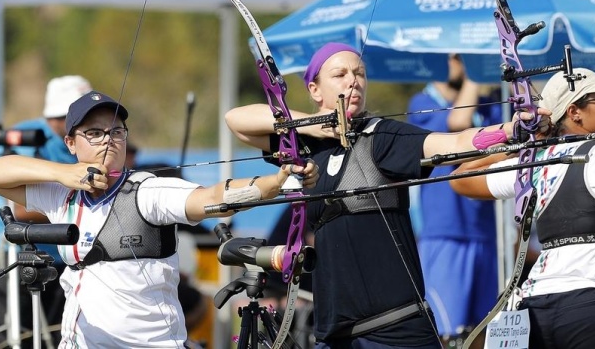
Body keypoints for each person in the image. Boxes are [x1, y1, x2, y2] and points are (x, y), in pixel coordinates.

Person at [225, 42, 547, 349]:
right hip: (335, 333)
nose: (353, 81)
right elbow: (236, 121)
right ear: (315, 90)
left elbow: (452, 143)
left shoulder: (381, 136)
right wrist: (311, 125)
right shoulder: (305, 146)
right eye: (340, 75)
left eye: (360, 73)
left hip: (396, 329)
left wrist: (509, 130)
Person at [0, 90, 318, 348]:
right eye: (94, 133)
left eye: (116, 132)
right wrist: (64, 173)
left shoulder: (148, 191)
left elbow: (213, 199)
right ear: (70, 143)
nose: (108, 141)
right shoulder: (62, 194)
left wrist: (275, 183)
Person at [449, 68, 595, 349]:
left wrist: (524, 146)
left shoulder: (537, 162)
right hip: (588, 304)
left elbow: (460, 177)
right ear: (574, 111)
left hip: (537, 305)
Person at [0, 75, 92, 348]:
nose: (87, 124)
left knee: (53, 335)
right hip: (0, 247)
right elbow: (21, 211)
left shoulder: (75, 142)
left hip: (50, 252)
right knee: (5, 339)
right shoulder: (29, 135)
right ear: (60, 115)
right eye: (79, 116)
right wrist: (85, 209)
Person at [407, 54, 502, 348]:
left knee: (484, 333)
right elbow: (457, 121)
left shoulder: (494, 103)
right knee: (446, 334)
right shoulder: (421, 102)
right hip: (444, 235)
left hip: (486, 234)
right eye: (457, 56)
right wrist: (476, 73)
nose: (461, 63)